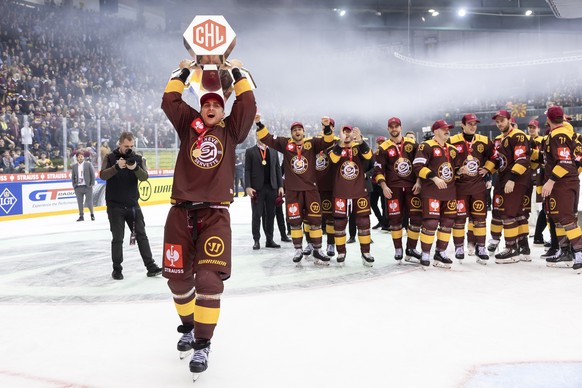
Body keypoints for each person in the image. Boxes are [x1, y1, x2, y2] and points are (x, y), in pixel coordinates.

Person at [160, 59, 256, 376]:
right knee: (177, 277)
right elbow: (169, 100)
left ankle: (202, 345)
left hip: (215, 214)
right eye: (207, 104)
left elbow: (248, 102)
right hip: (180, 212)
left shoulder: (231, 131)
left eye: (217, 103)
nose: (211, 107)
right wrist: (184, 72)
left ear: (222, 108)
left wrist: (239, 72)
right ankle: (188, 326)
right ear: (201, 109)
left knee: (208, 279)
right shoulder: (190, 125)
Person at [257, 118, 335, 264]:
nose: (297, 132)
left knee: (315, 220)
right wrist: (259, 124)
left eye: (299, 129)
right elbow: (266, 137)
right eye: (294, 130)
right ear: (291, 133)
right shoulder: (286, 144)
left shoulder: (312, 143)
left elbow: (328, 141)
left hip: (311, 189)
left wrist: (326, 127)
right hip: (293, 191)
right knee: (295, 222)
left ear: (304, 132)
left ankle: (318, 250)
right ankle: (298, 249)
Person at [100, 131, 162, 280]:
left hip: (133, 205)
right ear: (120, 144)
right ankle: (117, 269)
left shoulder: (137, 158)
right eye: (126, 146)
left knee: (141, 235)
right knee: (118, 238)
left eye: (131, 146)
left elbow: (145, 177)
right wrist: (116, 167)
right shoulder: (110, 157)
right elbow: (102, 175)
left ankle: (151, 266)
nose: (129, 149)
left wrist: (134, 167)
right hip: (115, 206)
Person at [483, 110, 532, 264]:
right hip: (503, 179)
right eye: (497, 122)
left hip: (515, 179)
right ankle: (523, 247)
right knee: (516, 213)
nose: (499, 124)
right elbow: (498, 160)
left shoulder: (518, 136)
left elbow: (522, 159)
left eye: (502, 121)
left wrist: (512, 179)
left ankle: (511, 249)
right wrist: (487, 169)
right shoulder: (499, 139)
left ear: (510, 120)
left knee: (508, 213)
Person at [374, 117, 423, 263]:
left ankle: (411, 248)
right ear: (388, 129)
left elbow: (420, 165)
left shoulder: (413, 144)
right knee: (395, 221)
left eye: (396, 126)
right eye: (391, 127)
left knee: (415, 218)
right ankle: (398, 249)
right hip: (393, 188)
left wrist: (420, 181)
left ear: (401, 127)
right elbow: (378, 170)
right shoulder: (383, 147)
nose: (394, 129)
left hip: (412, 187)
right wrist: (384, 186)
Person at [413, 120, 460, 268]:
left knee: (447, 223)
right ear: (435, 131)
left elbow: (455, 169)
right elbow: (418, 166)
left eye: (448, 128)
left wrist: (460, 171)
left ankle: (441, 252)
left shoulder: (452, 149)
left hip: (450, 192)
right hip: (432, 191)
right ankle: (425, 253)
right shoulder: (425, 146)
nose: (447, 131)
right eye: (444, 129)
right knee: (431, 223)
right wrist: (434, 177)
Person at [448, 113, 494, 264]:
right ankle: (459, 247)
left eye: (475, 124)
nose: (473, 126)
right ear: (462, 125)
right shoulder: (452, 141)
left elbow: (495, 157)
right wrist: (457, 170)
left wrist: (487, 169)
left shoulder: (484, 141)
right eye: (469, 124)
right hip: (460, 187)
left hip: (478, 187)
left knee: (480, 218)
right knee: (459, 219)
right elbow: (444, 161)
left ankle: (481, 247)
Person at [541, 106, 582, 272]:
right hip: (569, 180)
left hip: (562, 182)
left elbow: (564, 161)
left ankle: (579, 253)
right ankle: (564, 251)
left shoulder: (559, 134)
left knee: (566, 218)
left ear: (548, 119)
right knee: (559, 217)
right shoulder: (568, 133)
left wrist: (551, 180)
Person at [329, 125, 375, 266]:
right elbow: (333, 160)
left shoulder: (358, 147)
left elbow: (369, 156)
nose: (347, 135)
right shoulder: (335, 147)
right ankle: (341, 252)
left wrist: (360, 140)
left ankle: (366, 252)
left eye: (349, 132)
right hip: (341, 193)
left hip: (359, 192)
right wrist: (341, 143)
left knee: (364, 223)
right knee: (339, 224)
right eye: (344, 132)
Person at [245, 131, 284, 249]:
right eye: (258, 135)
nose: (260, 137)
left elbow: (278, 169)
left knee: (271, 215)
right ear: (255, 136)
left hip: (272, 187)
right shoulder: (250, 151)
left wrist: (280, 186)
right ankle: (256, 240)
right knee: (257, 215)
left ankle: (269, 240)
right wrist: (247, 186)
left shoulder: (273, 151)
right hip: (257, 189)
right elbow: (247, 170)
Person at [71, 152, 95, 221]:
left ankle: (92, 214)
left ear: (83, 157)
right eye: (79, 157)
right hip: (78, 187)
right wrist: (74, 185)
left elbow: (92, 174)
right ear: (77, 158)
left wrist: (92, 183)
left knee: (89, 201)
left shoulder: (88, 164)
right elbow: (73, 177)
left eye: (81, 156)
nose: (80, 158)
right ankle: (81, 216)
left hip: (87, 186)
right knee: (79, 202)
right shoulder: (74, 166)